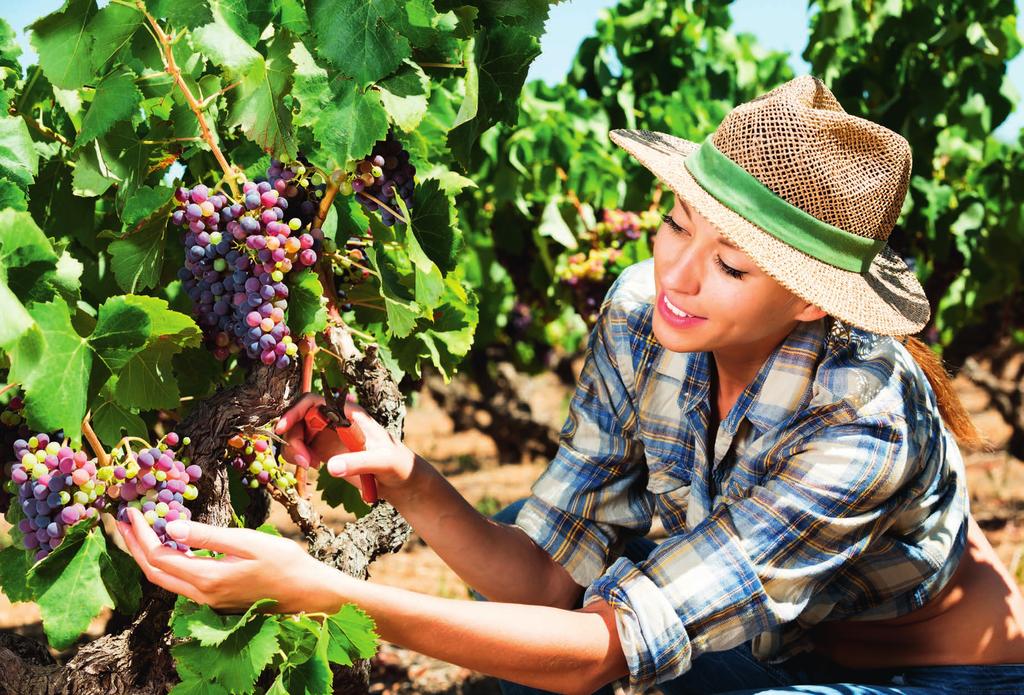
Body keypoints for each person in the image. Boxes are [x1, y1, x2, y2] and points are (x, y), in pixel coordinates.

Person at [117, 76, 1024, 694]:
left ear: (810, 303)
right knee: (512, 625)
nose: (678, 273)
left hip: (940, 674)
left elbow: (602, 653)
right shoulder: (643, 314)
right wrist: (408, 476)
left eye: (734, 268)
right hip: (766, 644)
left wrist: (321, 590)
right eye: (675, 224)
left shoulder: (865, 410)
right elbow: (546, 581)